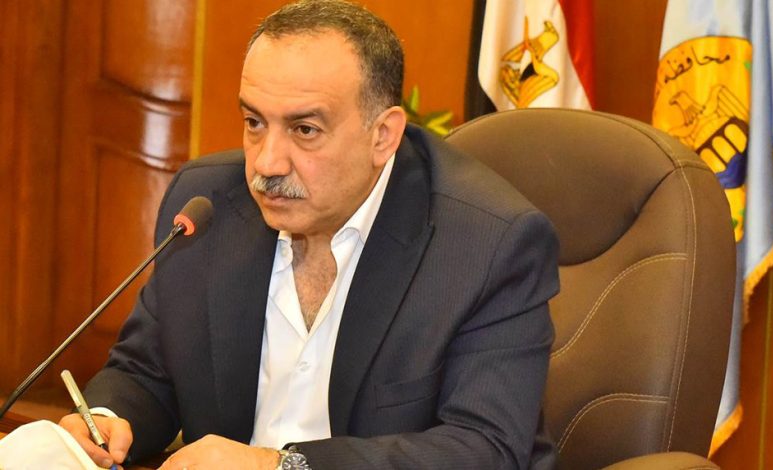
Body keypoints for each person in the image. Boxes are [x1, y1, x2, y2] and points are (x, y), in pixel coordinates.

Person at [60, 1, 559, 468]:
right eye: (254, 122)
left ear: (383, 135)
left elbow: (484, 447)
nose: (267, 163)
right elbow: (147, 372)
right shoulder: (207, 205)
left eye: (304, 130)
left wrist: (279, 464)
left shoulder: (485, 244)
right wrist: (104, 419)